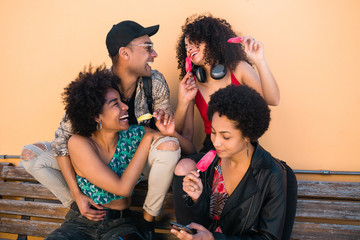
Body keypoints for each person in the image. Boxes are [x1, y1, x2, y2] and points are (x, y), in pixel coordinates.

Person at [21, 20, 195, 240]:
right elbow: (62, 141)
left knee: (169, 147)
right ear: (124, 53)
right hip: (97, 165)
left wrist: (184, 103)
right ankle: (82, 207)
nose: (154, 54)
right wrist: (77, 196)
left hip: (136, 161)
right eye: (148, 48)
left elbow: (170, 131)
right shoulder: (96, 88)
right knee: (31, 155)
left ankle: (147, 220)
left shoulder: (154, 81)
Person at [172, 15, 297, 239]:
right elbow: (187, 141)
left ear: (213, 40)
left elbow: (272, 99)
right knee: (183, 166)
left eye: (195, 41)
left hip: (239, 144)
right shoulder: (192, 82)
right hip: (209, 152)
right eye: (186, 44)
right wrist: (183, 101)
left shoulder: (237, 68)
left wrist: (259, 61)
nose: (189, 47)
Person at [46, 65, 179, 239]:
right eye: (115, 104)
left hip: (120, 225)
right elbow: (122, 188)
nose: (125, 107)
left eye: (121, 100)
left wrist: (170, 133)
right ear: (96, 116)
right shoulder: (79, 143)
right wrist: (147, 139)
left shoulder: (132, 135)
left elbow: (186, 147)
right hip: (79, 224)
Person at [171, 85, 287, 239]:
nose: (216, 142)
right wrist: (196, 200)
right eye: (213, 132)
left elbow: (269, 237)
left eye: (226, 137)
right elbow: (191, 226)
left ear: (248, 135)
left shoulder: (272, 175)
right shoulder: (205, 167)